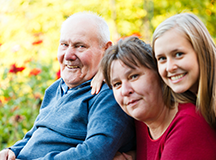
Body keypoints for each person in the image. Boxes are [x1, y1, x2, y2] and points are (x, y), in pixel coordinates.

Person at [0, 12, 135, 160]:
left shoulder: (108, 94)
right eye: (64, 45)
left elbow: (95, 153)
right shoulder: (55, 88)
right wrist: (13, 151)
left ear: (106, 49)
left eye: (80, 46)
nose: (68, 55)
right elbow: (36, 135)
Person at [98, 36, 216, 159]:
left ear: (159, 73)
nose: (125, 91)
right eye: (117, 84)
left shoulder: (188, 124)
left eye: (134, 76)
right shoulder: (143, 120)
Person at [152, 12, 216, 159]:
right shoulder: (197, 87)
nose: (170, 67)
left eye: (178, 54)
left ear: (201, 50)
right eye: (161, 58)